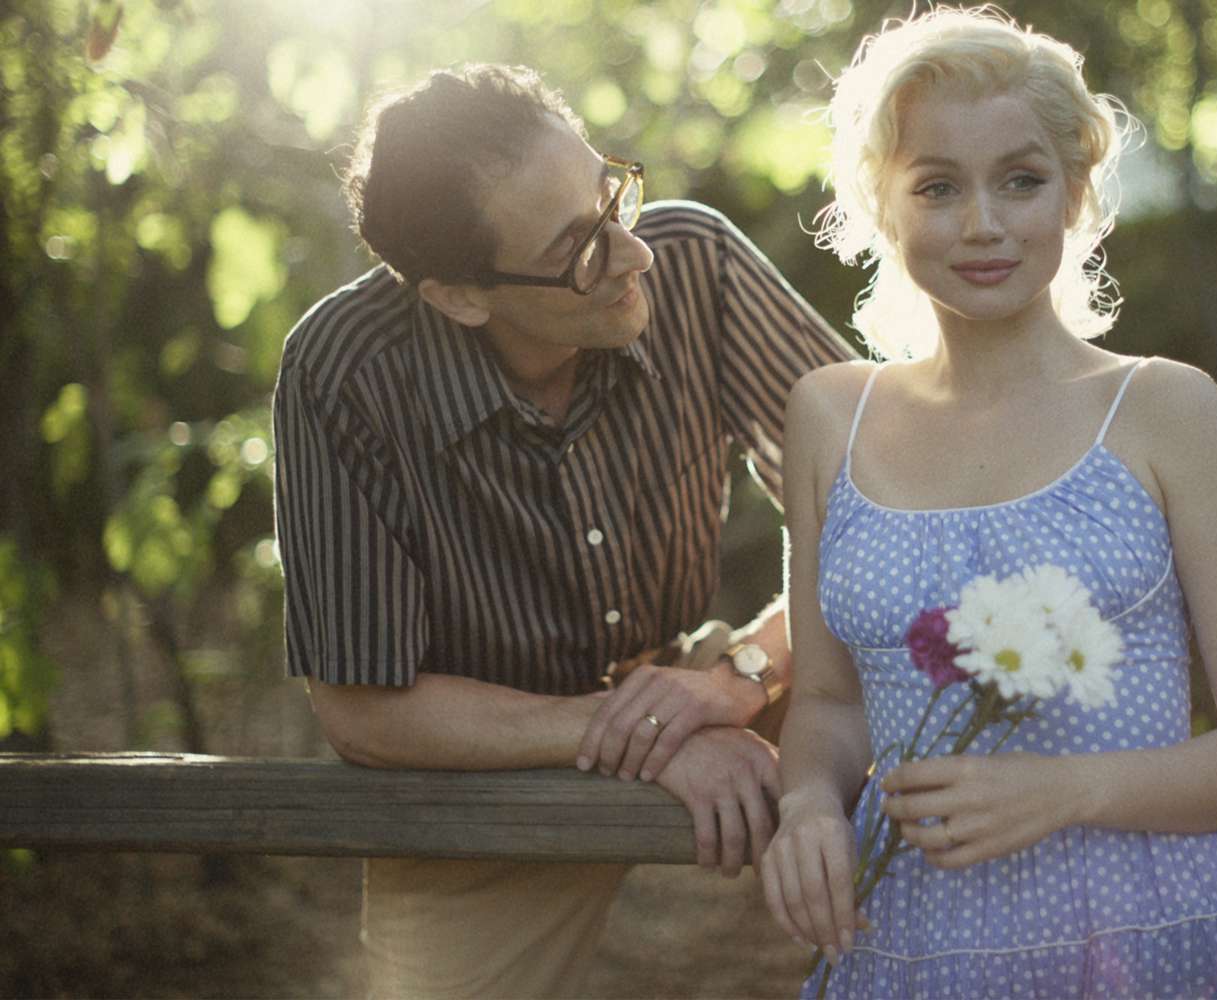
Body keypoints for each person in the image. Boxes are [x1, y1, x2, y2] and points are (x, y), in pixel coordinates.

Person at [760, 7, 1217, 998]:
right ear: (877, 201)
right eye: (937, 186)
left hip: (1164, 929)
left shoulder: (1164, 408)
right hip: (910, 935)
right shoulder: (829, 417)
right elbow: (826, 702)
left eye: (1021, 180)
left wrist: (1066, 788)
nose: (983, 223)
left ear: (1076, 193)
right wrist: (809, 803)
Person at [271, 63, 854, 998]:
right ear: (460, 295)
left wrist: (737, 677)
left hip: (701, 672)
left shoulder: (694, 260)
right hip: (481, 764)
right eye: (583, 247)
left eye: (611, 193)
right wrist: (649, 732)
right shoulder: (346, 371)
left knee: (950, 716)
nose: (634, 253)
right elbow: (366, 711)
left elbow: (893, 508)